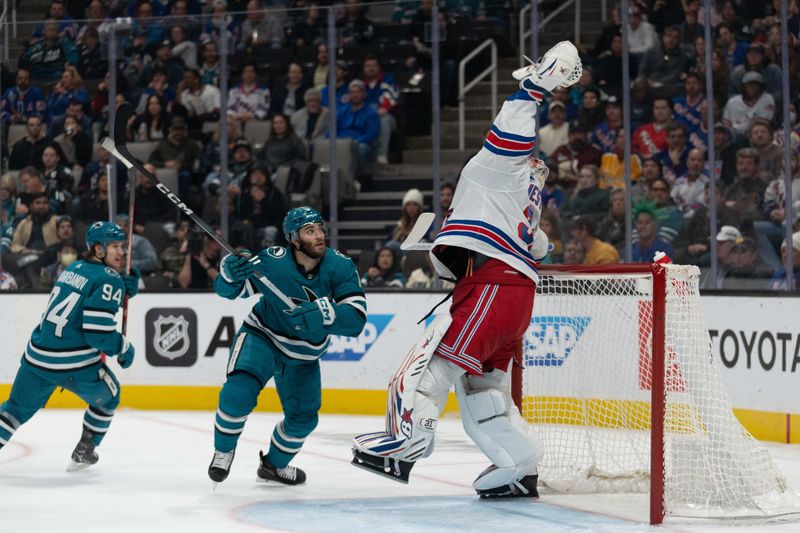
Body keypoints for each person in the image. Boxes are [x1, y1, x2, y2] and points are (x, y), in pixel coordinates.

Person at [352, 41, 583, 498]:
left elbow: (509, 134)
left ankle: (405, 444)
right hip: (515, 298)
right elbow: (537, 245)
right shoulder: (524, 199)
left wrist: (533, 87)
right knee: (486, 391)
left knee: (431, 367)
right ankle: (519, 466)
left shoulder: (495, 169)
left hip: (494, 286)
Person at [208, 206, 367, 485]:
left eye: (319, 228)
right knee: (237, 393)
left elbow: (356, 320)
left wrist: (326, 314)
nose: (319, 235)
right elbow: (227, 291)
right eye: (310, 231)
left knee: (304, 419)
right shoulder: (273, 261)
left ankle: (272, 466)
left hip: (304, 355)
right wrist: (230, 273)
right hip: (263, 336)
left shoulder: (340, 266)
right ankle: (223, 451)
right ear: (293, 239)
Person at [0, 221, 139, 470]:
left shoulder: (74, 267)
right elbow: (99, 335)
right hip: (74, 365)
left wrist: (118, 286)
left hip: (36, 358)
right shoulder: (109, 281)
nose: (121, 252)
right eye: (115, 246)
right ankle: (85, 450)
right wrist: (124, 347)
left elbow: (86, 297)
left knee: (13, 411)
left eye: (122, 246)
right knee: (109, 397)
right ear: (98, 249)